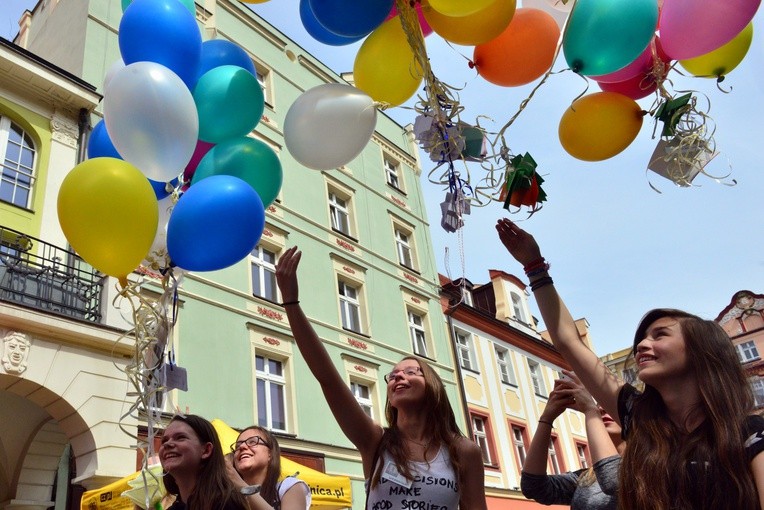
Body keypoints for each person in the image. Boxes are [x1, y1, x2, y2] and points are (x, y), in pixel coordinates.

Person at [496, 218, 764, 510]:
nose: (642, 345)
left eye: (660, 335)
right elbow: (568, 341)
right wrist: (534, 266)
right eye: (642, 338)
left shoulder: (746, 432)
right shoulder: (641, 418)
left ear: (703, 352)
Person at [275, 246, 487, 510]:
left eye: (411, 371)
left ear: (433, 386)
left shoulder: (463, 451)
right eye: (393, 375)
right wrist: (291, 304)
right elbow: (328, 378)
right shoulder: (375, 441)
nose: (399, 376)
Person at [521, 370, 624, 509]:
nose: (602, 409)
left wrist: (590, 411)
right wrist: (546, 419)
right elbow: (533, 487)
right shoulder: (587, 477)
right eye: (599, 404)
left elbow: (612, 479)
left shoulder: (651, 468)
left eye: (612, 403)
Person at [160, 414, 248, 510]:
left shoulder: (227, 505)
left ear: (206, 450)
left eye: (180, 437)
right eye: (164, 440)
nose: (167, 444)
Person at [226, 425, 311, 510]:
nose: (242, 447)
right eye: (237, 446)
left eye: (252, 442)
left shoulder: (289, 486)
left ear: (270, 454)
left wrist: (241, 485)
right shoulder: (229, 498)